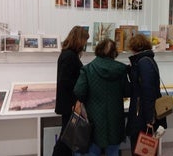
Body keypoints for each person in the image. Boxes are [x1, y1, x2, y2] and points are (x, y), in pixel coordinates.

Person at [74, 38, 129, 156]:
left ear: (98, 50)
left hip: (94, 119)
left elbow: (79, 92)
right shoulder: (121, 69)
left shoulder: (88, 69)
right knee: (113, 151)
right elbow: (127, 91)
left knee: (92, 150)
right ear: (114, 52)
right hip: (115, 118)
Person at [126, 34, 167, 155]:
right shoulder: (145, 60)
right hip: (143, 111)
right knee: (143, 149)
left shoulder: (144, 63)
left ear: (134, 47)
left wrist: (150, 118)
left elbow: (148, 92)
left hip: (143, 114)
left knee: (142, 149)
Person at [52, 25, 89, 156]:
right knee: (66, 140)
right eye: (84, 40)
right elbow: (66, 82)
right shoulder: (70, 56)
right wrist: (76, 101)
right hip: (70, 104)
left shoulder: (68, 54)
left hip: (69, 103)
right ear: (79, 39)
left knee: (67, 138)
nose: (85, 44)